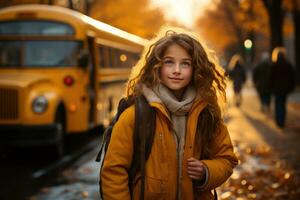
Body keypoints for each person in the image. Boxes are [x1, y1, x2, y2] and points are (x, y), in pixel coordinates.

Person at [100, 27, 238, 200]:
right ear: (157, 66)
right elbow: (114, 171)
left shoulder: (206, 113)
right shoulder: (136, 115)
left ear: (196, 68)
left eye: (185, 63)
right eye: (169, 62)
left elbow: (226, 159)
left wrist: (206, 171)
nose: (177, 70)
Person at [269, 47, 295, 128]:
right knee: (283, 104)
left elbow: (270, 78)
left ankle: (279, 121)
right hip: (285, 89)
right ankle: (282, 120)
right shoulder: (288, 64)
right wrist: (291, 87)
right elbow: (292, 77)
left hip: (276, 89)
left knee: (278, 104)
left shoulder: (274, 65)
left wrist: (270, 87)